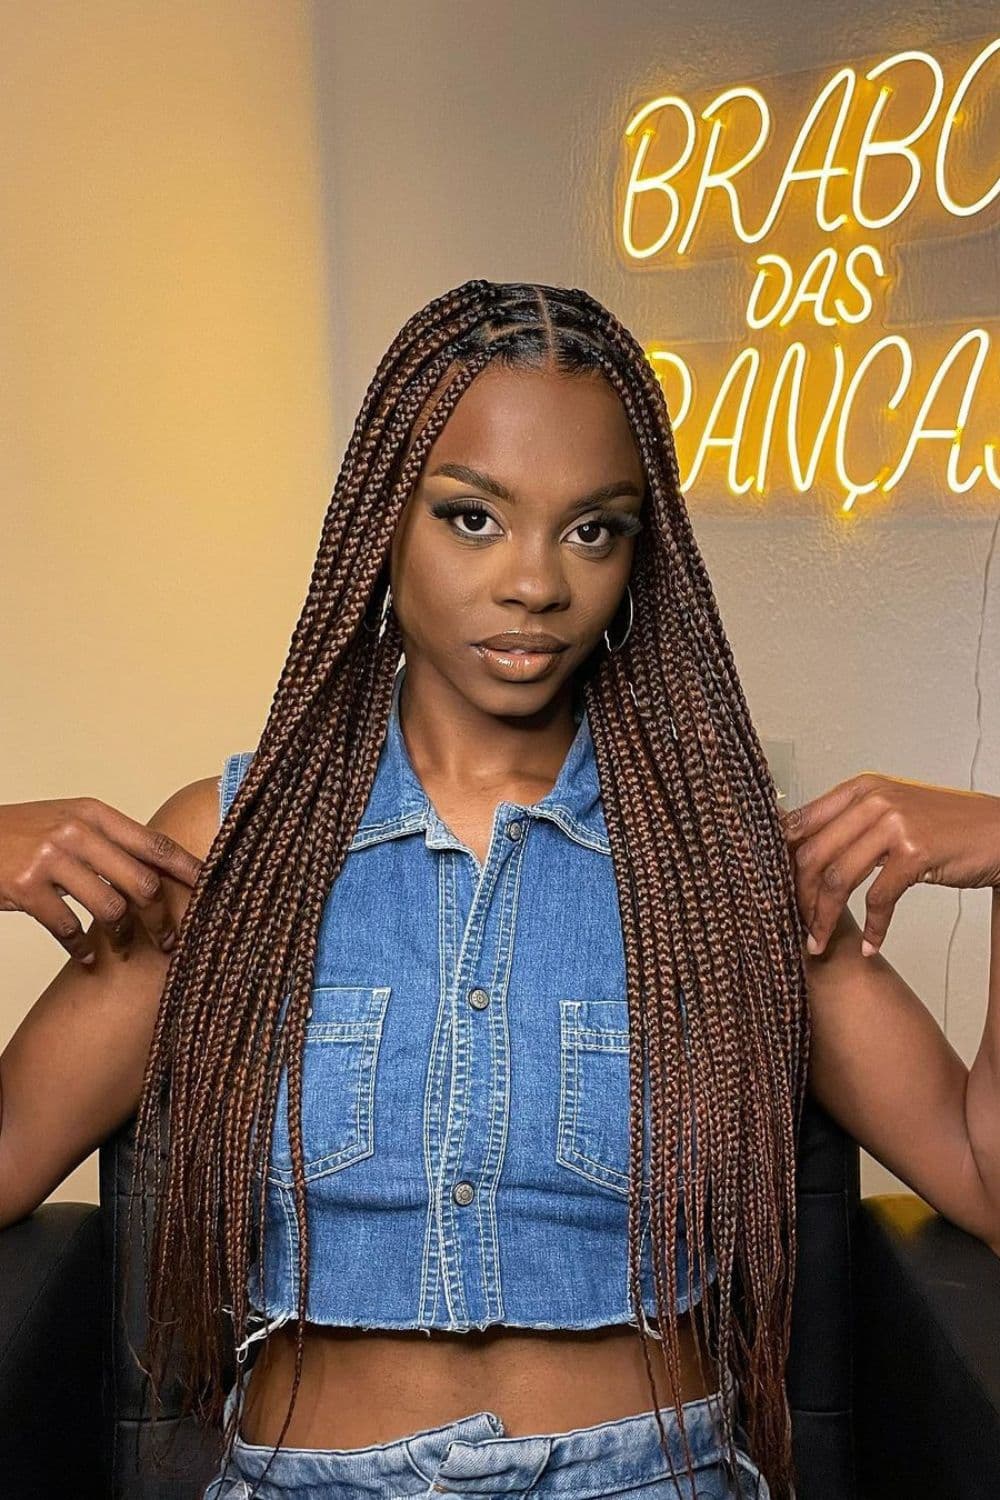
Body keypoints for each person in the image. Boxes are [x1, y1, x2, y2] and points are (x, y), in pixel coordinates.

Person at [3, 279, 1000, 1500]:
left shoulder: (718, 864)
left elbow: (981, 1177)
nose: (535, 582)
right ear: (384, 519)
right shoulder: (234, 850)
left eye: (594, 528)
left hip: (646, 1476)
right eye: (473, 518)